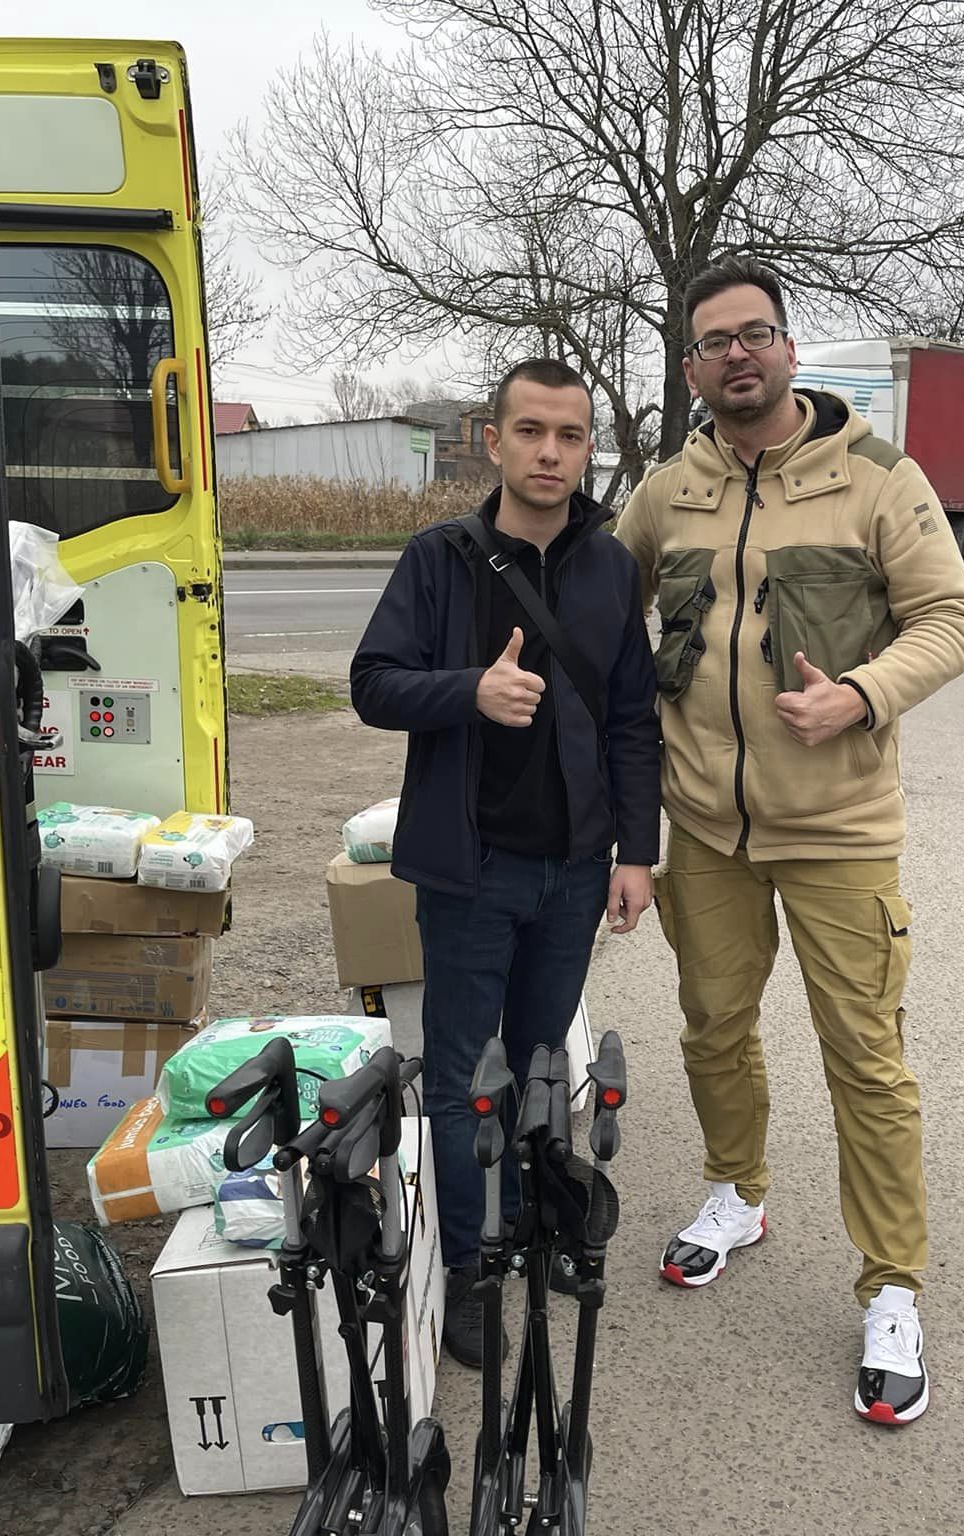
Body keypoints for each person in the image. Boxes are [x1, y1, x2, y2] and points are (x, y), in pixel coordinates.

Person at [615, 257, 964, 1425]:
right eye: (713, 340)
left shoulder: (877, 478)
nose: (737, 354)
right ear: (690, 367)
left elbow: (950, 620)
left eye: (755, 333)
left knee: (863, 1057)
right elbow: (598, 607)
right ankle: (736, 1192)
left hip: (836, 830)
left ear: (786, 348)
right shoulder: (666, 493)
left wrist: (861, 694)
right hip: (702, 826)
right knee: (712, 1027)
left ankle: (891, 1287)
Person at [351, 358, 661, 1368]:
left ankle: (529, 1225)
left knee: (539, 1067)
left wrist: (636, 852)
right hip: (471, 869)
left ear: (587, 448)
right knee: (458, 1078)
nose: (549, 453)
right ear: (493, 441)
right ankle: (471, 1268)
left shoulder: (610, 569)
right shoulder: (439, 558)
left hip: (573, 871)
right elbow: (372, 682)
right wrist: (469, 693)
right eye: (530, 431)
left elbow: (632, 720)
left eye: (569, 436)